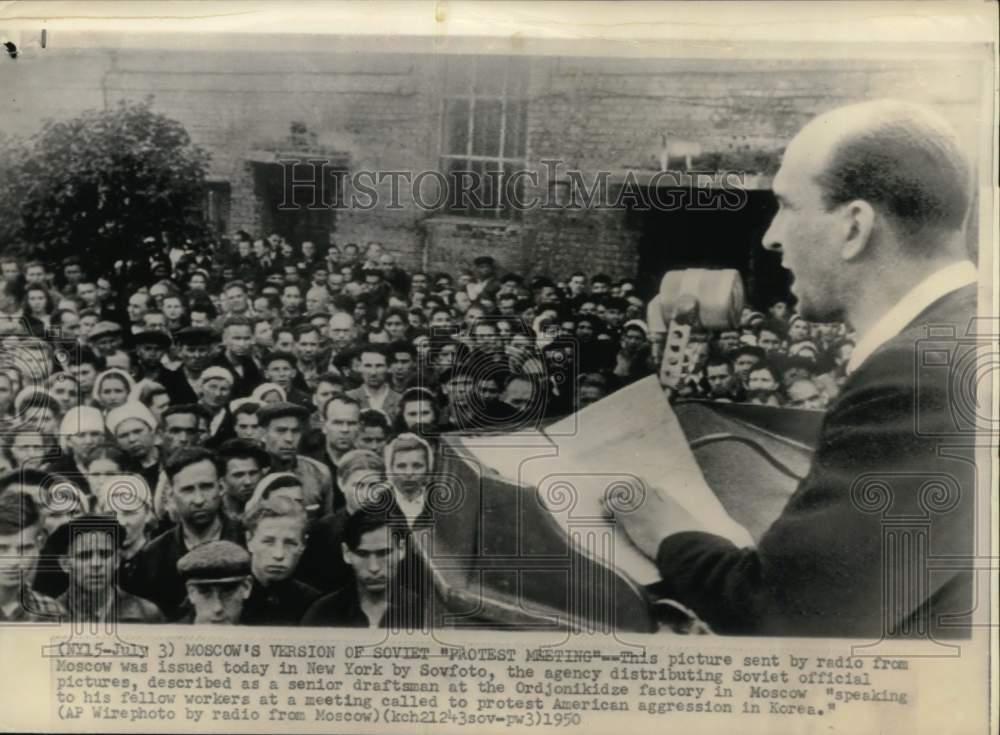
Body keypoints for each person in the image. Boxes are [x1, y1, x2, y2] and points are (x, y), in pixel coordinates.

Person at [611, 100, 978, 638]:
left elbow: (785, 614)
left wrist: (669, 532)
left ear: (855, 226)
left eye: (786, 206)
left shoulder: (917, 377)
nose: (770, 237)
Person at [125, 447, 245, 621]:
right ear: (172, 495)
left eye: (206, 487)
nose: (199, 500)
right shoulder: (152, 557)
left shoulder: (248, 541)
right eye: (188, 490)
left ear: (221, 487)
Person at [300, 507, 422, 629]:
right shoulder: (321, 614)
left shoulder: (423, 612)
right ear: (346, 553)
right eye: (362, 554)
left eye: (384, 553)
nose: (374, 567)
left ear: (402, 549)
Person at [51, 515, 165, 624]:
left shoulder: (146, 614)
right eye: (85, 556)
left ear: (117, 560)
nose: (96, 564)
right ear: (65, 564)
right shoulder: (49, 617)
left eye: (105, 554)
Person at [240, 495, 320, 625]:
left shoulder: (314, 604)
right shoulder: (229, 597)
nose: (279, 554)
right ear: (249, 540)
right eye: (268, 541)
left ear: (303, 545)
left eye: (290, 543)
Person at [0, 490, 66, 622]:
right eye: (2, 548)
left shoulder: (52, 612)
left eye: (25, 548)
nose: (14, 561)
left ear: (39, 543)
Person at [176, 540, 253, 625]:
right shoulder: (168, 635)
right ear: (191, 592)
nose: (217, 608)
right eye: (205, 592)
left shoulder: (262, 633)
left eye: (227, 592)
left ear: (247, 587)